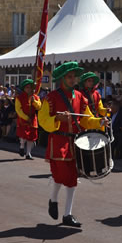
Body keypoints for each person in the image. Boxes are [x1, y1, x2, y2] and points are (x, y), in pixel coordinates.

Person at [38, 62, 106, 227]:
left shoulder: (80, 97)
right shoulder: (52, 97)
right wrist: (56, 119)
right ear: (62, 78)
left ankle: (67, 214)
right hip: (59, 142)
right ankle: (53, 200)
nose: (72, 79)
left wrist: (99, 121)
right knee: (62, 176)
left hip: (75, 142)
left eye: (74, 76)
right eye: (69, 76)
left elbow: (86, 119)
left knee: (71, 178)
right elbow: (42, 120)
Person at [15, 79, 42, 159]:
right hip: (23, 119)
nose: (29, 89)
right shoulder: (19, 98)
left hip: (33, 119)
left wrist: (34, 102)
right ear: (24, 88)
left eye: (30, 87)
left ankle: (28, 153)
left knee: (31, 137)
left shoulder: (36, 97)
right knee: (23, 135)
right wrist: (26, 117)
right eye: (27, 87)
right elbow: (18, 110)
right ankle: (22, 146)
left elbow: (39, 107)